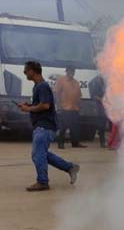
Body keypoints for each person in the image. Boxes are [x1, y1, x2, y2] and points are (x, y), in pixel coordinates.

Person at [17, 61, 79, 191]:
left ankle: (43, 181)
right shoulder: (38, 86)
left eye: (26, 71)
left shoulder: (42, 86)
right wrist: (28, 105)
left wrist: (27, 109)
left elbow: (45, 105)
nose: (25, 73)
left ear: (33, 71)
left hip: (44, 126)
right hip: (42, 125)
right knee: (42, 153)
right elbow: (41, 104)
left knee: (37, 154)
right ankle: (70, 167)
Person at [53, 66, 85, 149]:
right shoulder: (61, 80)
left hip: (74, 108)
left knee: (75, 127)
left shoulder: (76, 82)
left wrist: (80, 106)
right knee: (63, 126)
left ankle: (75, 143)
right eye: (70, 71)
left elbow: (79, 96)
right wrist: (58, 105)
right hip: (64, 108)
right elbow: (56, 93)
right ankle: (61, 143)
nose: (72, 73)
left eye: (73, 72)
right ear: (66, 71)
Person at [88, 74, 108, 147]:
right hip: (99, 106)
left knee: (105, 124)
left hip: (107, 105)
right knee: (101, 124)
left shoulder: (107, 80)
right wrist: (101, 99)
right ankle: (102, 142)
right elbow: (93, 95)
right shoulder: (94, 82)